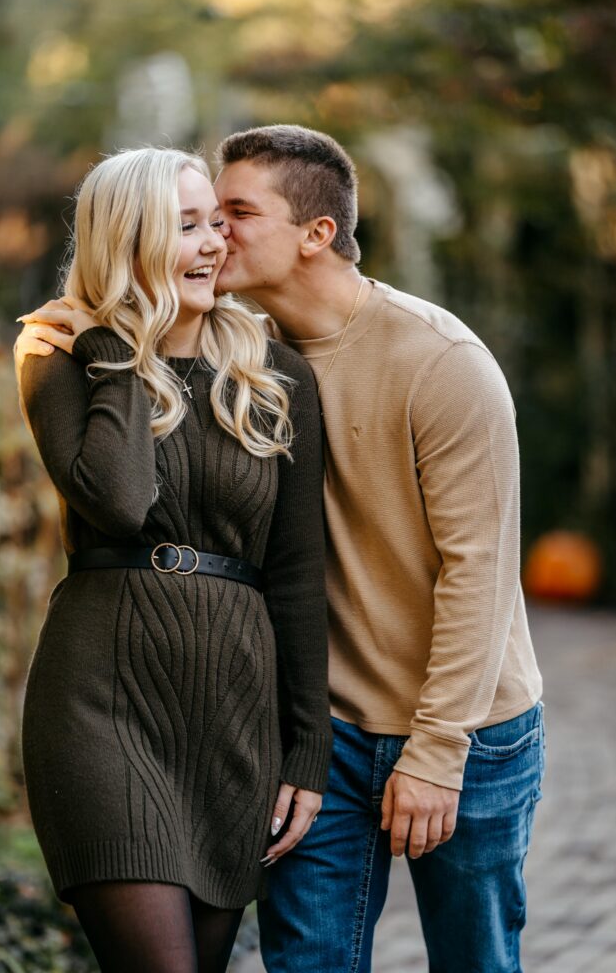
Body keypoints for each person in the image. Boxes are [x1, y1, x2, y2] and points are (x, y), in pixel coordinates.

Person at [209, 125, 545, 973]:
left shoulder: (440, 362)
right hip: (322, 735)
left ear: (317, 233)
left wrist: (437, 753)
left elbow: (481, 571)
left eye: (238, 211)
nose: (216, 232)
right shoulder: (239, 353)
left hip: (467, 729)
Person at [14, 146, 332, 973]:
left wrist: (306, 750)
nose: (213, 244)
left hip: (230, 714)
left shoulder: (275, 377)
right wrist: (118, 347)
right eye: (184, 226)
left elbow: (296, 575)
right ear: (128, 243)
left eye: (215, 223)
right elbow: (116, 503)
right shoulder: (58, 357)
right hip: (101, 707)